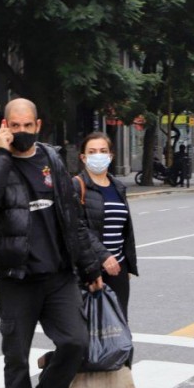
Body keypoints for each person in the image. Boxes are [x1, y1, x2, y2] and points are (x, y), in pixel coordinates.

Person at [0, 98, 108, 388]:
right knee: (16, 358)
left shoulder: (52, 161)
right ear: (5, 126)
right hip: (16, 280)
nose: (22, 130)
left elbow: (72, 219)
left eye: (28, 125)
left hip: (58, 277)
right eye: (15, 125)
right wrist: (0, 154)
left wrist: (90, 266)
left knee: (75, 343)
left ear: (38, 125)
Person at [74, 132, 138, 318]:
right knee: (88, 332)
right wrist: (102, 258)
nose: (98, 155)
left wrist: (126, 264)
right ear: (83, 157)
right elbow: (78, 228)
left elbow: (124, 229)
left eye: (103, 151)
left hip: (117, 267)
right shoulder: (77, 186)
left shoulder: (118, 187)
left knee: (118, 330)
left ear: (110, 156)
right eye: (92, 152)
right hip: (89, 268)